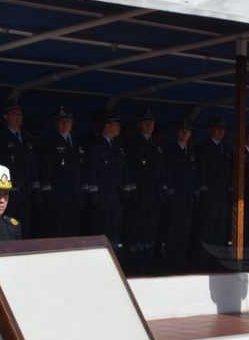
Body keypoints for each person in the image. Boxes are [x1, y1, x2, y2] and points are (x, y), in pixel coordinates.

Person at [0, 99, 39, 237]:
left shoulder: (27, 138)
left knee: (24, 228)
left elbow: (32, 166)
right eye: (14, 114)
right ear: (6, 117)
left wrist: (35, 188)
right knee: (7, 228)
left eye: (19, 114)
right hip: (8, 193)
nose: (17, 117)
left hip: (26, 192)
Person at [124, 108, 164, 274]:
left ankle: (148, 261)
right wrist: (132, 191)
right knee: (138, 230)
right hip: (140, 195)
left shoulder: (156, 144)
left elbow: (161, 171)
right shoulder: (133, 144)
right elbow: (129, 170)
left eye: (152, 122)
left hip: (155, 195)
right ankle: (137, 263)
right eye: (146, 122)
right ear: (139, 124)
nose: (149, 125)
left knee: (151, 230)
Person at [84, 110, 130, 251]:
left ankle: (114, 258)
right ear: (108, 126)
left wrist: (126, 191)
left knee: (114, 231)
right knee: (100, 231)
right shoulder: (95, 145)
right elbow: (91, 171)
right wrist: (93, 194)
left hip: (117, 196)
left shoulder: (117, 146)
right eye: (116, 125)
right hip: (102, 197)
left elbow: (123, 170)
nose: (119, 128)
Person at [38, 106, 84, 238]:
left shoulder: (76, 142)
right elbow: (45, 170)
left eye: (68, 121)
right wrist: (47, 194)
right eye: (61, 121)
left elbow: (81, 169)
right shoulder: (49, 143)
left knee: (72, 231)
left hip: (74, 196)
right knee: (56, 231)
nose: (65, 124)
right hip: (58, 197)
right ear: (55, 123)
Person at [193, 116, 232, 271]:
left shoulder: (225, 148)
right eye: (217, 128)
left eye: (223, 129)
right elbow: (201, 172)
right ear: (210, 130)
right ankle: (202, 262)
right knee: (206, 230)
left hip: (222, 196)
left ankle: (217, 261)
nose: (221, 132)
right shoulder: (203, 148)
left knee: (220, 230)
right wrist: (203, 192)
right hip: (210, 196)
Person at [161, 120, 198, 274]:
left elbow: (194, 174)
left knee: (184, 231)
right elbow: (168, 173)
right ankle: (172, 262)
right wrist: (170, 193)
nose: (185, 134)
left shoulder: (190, 151)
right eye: (182, 131)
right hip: (176, 197)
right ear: (177, 132)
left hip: (188, 198)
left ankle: (181, 261)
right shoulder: (170, 150)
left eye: (188, 131)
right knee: (173, 231)